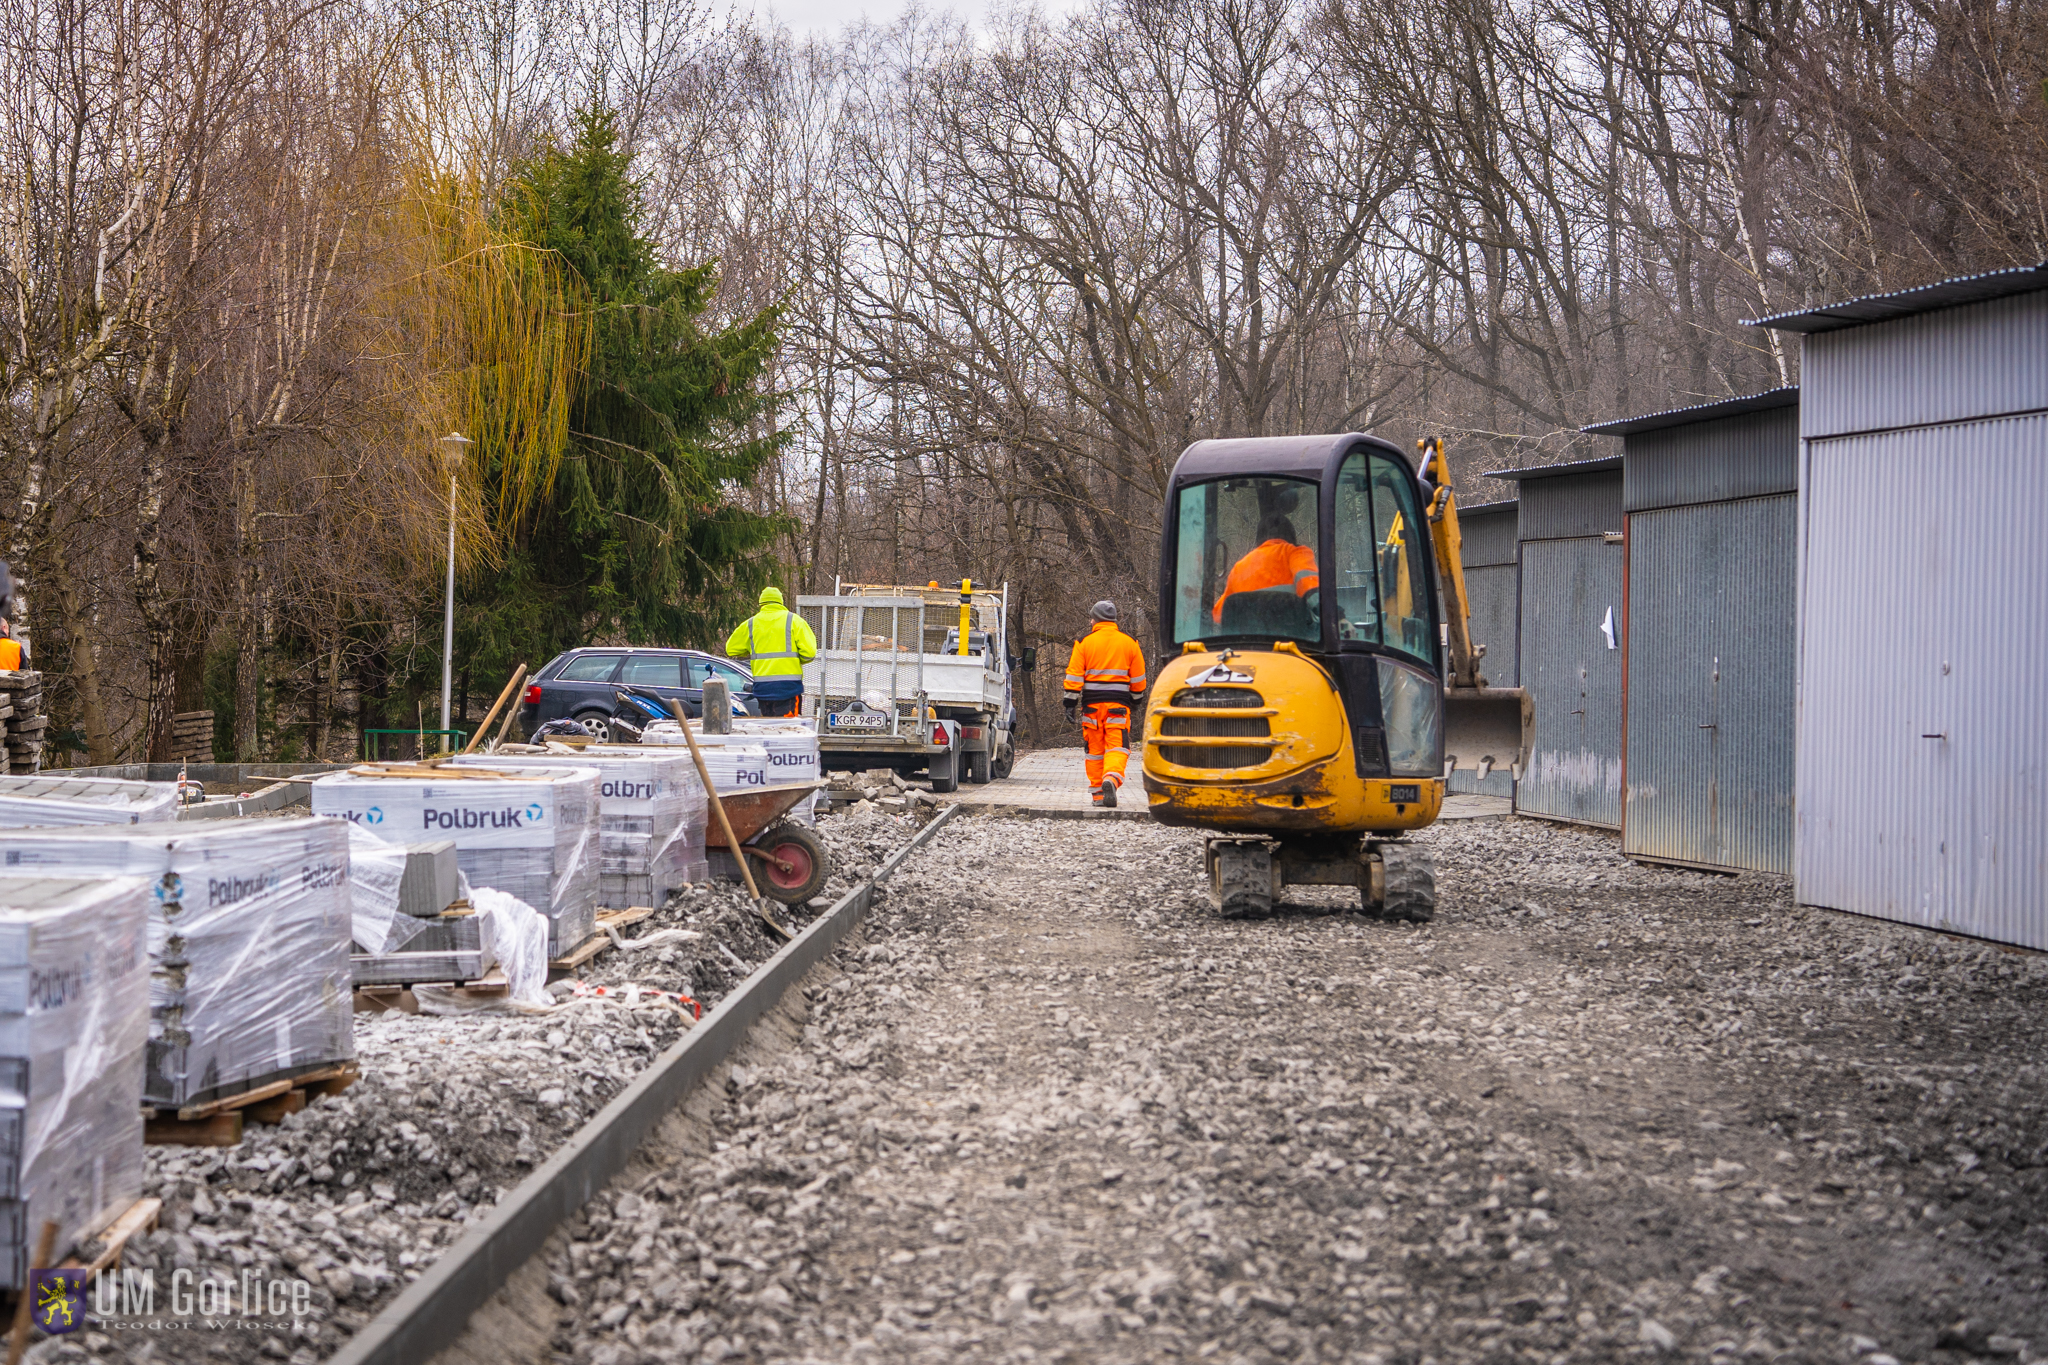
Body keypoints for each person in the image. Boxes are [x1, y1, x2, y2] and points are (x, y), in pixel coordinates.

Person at [1063, 600, 1147, 808]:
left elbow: (1074, 676)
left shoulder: (1083, 642)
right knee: (1117, 747)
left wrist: (1069, 702)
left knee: (1094, 751)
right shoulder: (1130, 642)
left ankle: (1099, 795)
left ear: (1094, 619)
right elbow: (1138, 680)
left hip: (1091, 708)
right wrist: (1135, 702)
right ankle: (1112, 778)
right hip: (1118, 706)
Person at [725, 586, 818, 718]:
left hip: (763, 690)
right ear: (781, 602)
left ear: (761, 604)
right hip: (788, 689)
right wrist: (794, 660)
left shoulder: (751, 624)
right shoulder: (794, 621)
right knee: (788, 731)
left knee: (769, 729)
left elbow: (731, 649)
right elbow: (809, 653)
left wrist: (751, 650)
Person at [1211, 513, 1319, 623]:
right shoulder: (1295, 553)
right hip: (1291, 637)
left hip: (1247, 639)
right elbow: (1311, 588)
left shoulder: (1239, 567)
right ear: (1291, 536)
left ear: (1259, 538)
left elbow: (1218, 615)